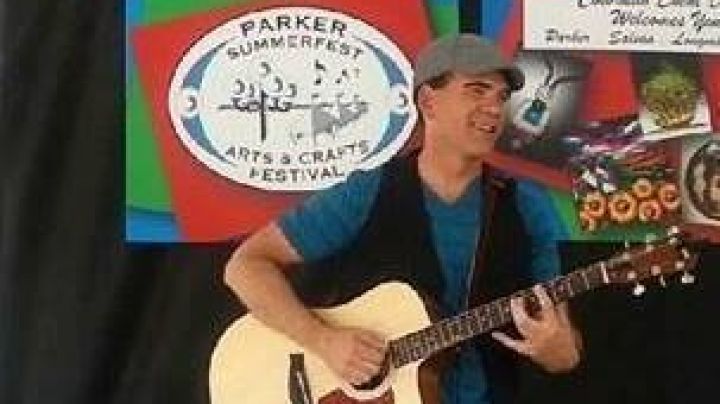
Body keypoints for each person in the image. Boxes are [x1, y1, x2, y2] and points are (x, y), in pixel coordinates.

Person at [224, 34, 582, 404]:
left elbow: (564, 350)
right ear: (428, 101)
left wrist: (557, 349)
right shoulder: (369, 190)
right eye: (477, 91)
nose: (494, 108)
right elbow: (244, 266)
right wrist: (324, 341)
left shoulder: (528, 205)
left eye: (502, 97)